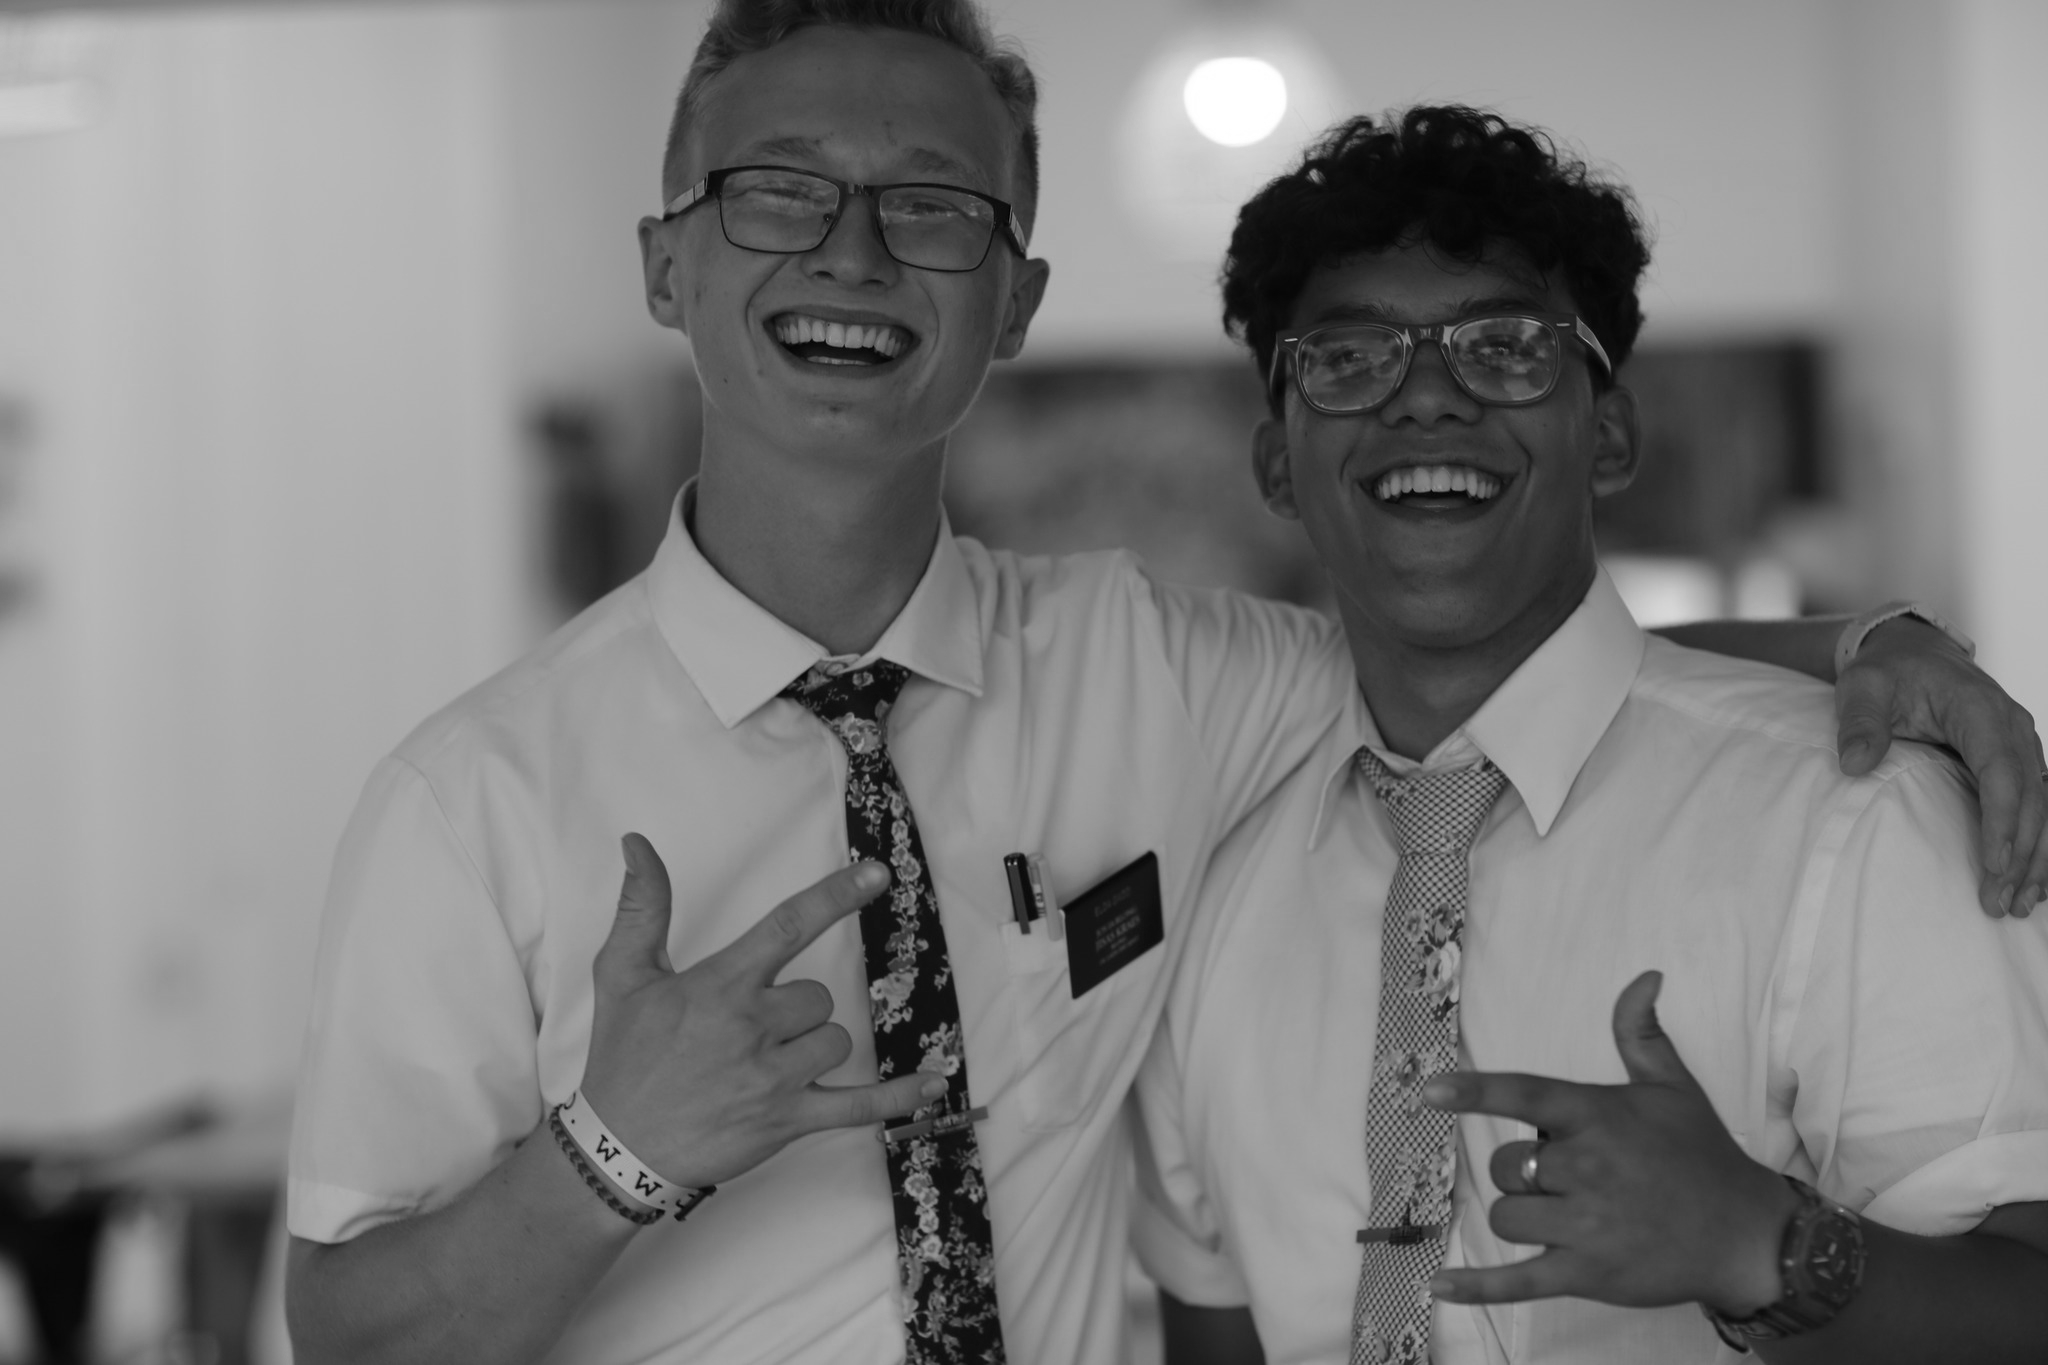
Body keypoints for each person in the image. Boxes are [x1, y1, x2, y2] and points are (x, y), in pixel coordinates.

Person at [281, 6, 2046, 1363]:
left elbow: (1480, 654)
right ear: (665, 262)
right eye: (778, 192)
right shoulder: (474, 800)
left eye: (930, 207)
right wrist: (611, 1152)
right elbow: (340, 1332)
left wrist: (1866, 650)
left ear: (1016, 300)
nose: (853, 253)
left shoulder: (1153, 673)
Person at [1132, 106, 2048, 1365]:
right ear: (1277, 466)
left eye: (1505, 347)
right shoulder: (1211, 892)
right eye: (1347, 358)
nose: (1426, 397)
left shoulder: (1854, 818)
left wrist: (1760, 1243)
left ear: (1607, 435)